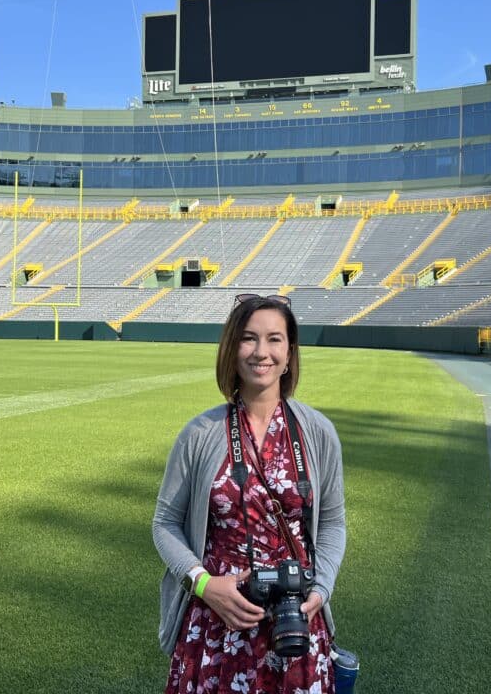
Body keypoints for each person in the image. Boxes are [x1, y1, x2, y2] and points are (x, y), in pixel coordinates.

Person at [153, 293, 347, 693]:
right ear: (232, 349)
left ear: (290, 353)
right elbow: (165, 522)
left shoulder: (318, 432)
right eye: (248, 338)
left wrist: (321, 587)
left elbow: (332, 522)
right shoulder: (200, 434)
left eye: (274, 339)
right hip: (217, 623)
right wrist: (204, 584)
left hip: (296, 624)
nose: (262, 352)